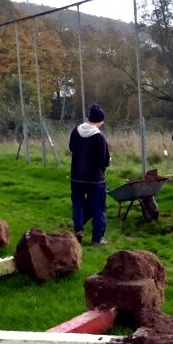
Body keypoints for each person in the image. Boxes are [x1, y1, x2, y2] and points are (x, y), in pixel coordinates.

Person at [69, 103, 111, 246]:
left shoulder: (76, 131)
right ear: (100, 121)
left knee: (78, 203)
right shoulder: (99, 137)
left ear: (88, 117)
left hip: (76, 176)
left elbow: (71, 148)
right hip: (95, 179)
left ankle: (78, 230)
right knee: (98, 207)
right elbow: (103, 161)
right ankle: (97, 239)